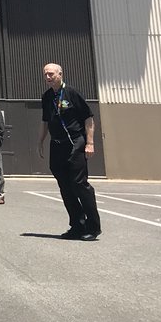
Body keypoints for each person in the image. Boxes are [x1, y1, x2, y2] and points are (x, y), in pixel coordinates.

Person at [38, 63, 102, 240]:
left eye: (51, 74)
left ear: (60, 74)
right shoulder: (47, 97)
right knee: (65, 186)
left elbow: (88, 118)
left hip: (75, 142)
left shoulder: (72, 93)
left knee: (79, 183)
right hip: (57, 145)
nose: (48, 77)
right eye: (45, 74)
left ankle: (93, 227)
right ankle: (77, 226)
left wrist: (90, 143)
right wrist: (40, 141)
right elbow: (45, 121)